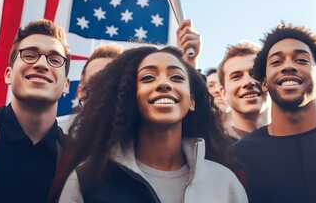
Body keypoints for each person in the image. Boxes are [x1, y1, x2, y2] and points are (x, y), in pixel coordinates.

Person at [54, 46, 247, 203]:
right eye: (148, 78)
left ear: (192, 102)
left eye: (176, 77)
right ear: (130, 96)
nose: (164, 84)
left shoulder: (225, 182)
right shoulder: (88, 179)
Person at [233, 22, 316, 203]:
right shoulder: (239, 157)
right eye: (276, 62)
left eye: (301, 60)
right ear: (263, 83)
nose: (288, 66)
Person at [0, 19, 71, 203]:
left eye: (55, 59)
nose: (42, 64)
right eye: (29, 55)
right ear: (8, 75)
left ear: (66, 84)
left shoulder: (77, 159)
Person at [58, 43, 123, 133]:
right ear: (81, 91)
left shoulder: (143, 141)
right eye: (96, 80)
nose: (106, 87)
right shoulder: (57, 135)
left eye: (114, 80)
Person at [218, 41, 270, 140]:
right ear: (223, 93)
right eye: (236, 77)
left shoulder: (295, 135)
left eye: (254, 73)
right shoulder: (213, 146)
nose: (248, 82)